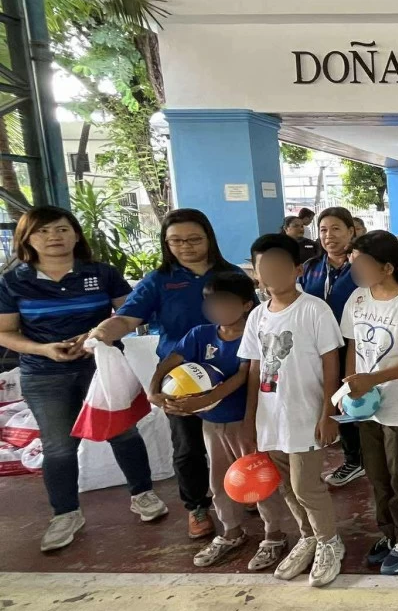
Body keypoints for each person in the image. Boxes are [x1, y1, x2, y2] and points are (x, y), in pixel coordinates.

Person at [0, 207, 168, 553]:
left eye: (62, 229)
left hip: (101, 367)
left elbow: (130, 313)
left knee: (122, 430)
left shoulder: (101, 273)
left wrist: (97, 335)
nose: (54, 238)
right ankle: (65, 513)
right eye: (43, 232)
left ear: (76, 234)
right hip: (44, 374)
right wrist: (44, 349)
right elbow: (6, 332)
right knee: (59, 446)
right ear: (27, 239)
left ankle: (142, 493)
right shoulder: (14, 280)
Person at [90, 208, 243, 540]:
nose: (185, 247)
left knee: (236, 441)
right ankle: (197, 507)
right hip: (180, 378)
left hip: (232, 373)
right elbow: (127, 319)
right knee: (188, 446)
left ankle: (244, 493)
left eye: (193, 239)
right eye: (175, 241)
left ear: (209, 239)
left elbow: (255, 322)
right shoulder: (158, 280)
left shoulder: (231, 275)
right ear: (166, 243)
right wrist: (101, 332)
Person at [149, 272, 289, 570]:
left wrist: (205, 398)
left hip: (246, 423)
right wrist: (154, 390)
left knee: (259, 480)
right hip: (212, 423)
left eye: (225, 303)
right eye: (211, 303)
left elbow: (241, 377)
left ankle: (274, 535)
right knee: (220, 481)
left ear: (246, 305)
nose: (218, 309)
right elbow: (171, 360)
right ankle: (231, 532)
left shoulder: (254, 337)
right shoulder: (200, 334)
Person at [240, 234, 345, 587]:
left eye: (279, 266)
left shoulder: (314, 309)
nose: (271, 273)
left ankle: (330, 542)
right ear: (256, 274)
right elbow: (255, 368)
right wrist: (250, 418)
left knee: (306, 486)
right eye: (263, 267)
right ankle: (308, 536)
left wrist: (328, 413)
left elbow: (332, 362)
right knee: (285, 485)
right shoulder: (256, 317)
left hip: (305, 414)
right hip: (271, 417)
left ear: (297, 270)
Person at [340, 231, 398, 575]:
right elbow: (353, 345)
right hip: (367, 405)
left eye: (363, 264)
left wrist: (373, 380)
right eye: (354, 264)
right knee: (377, 473)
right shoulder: (358, 299)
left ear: (387, 268)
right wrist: (352, 386)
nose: (356, 270)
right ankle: (390, 532)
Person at [299, 207, 363, 487]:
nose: (328, 235)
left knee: (351, 398)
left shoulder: (361, 268)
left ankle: (357, 459)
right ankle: (350, 457)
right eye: (323, 230)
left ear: (351, 232)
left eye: (336, 228)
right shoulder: (311, 268)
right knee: (330, 399)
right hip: (317, 347)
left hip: (354, 346)